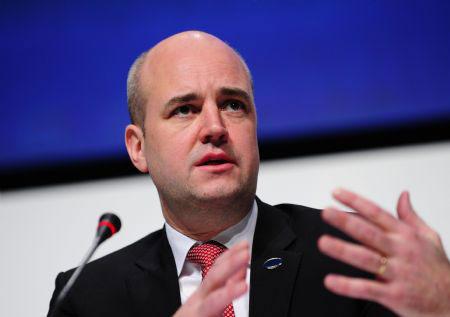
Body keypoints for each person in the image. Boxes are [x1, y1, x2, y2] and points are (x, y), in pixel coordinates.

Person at [48, 31, 450, 317]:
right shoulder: (86, 298)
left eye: (234, 105)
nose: (215, 127)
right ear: (138, 147)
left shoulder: (349, 257)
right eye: (184, 109)